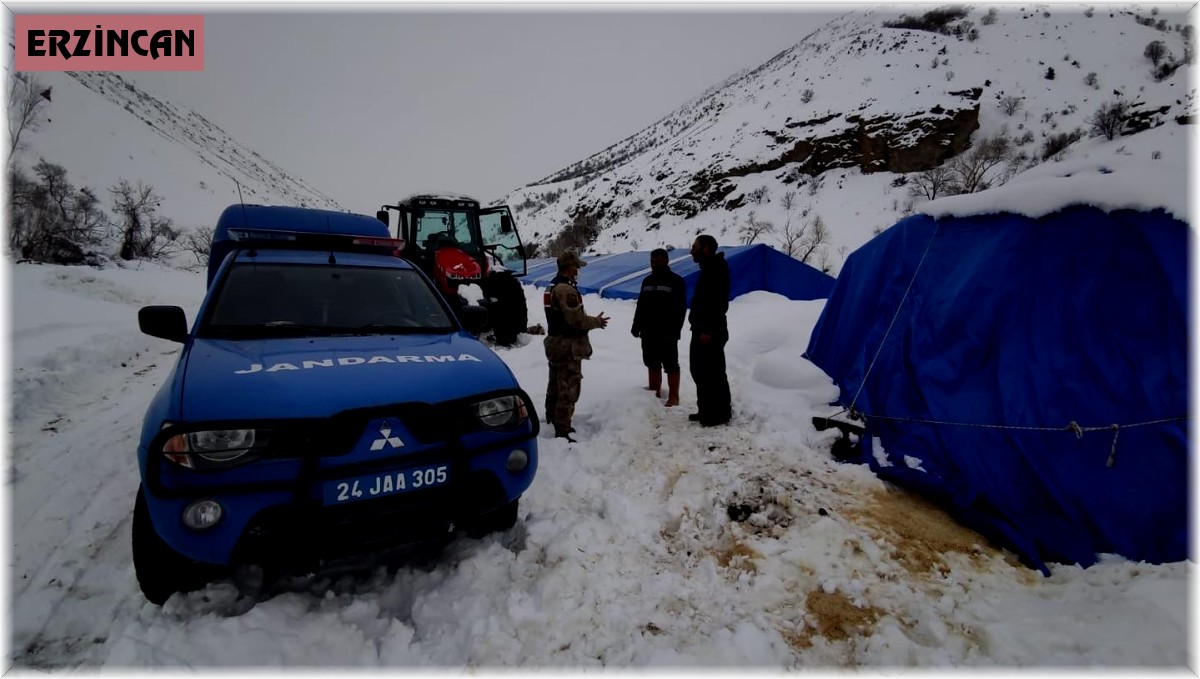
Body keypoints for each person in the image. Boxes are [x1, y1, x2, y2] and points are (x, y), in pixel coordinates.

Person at [544, 251, 609, 441]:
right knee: (569, 387)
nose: (578, 271)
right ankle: (563, 428)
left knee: (555, 384)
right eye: (577, 267)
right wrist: (596, 322)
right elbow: (576, 319)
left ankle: (552, 417)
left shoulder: (552, 286)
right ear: (570, 267)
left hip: (555, 344)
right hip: (567, 347)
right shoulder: (566, 290)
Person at [631, 248, 687, 407]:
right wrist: (636, 325)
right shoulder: (647, 281)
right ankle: (654, 392)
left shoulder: (676, 281)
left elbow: (680, 309)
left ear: (666, 261)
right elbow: (641, 305)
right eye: (651, 261)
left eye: (656, 261)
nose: (653, 264)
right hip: (648, 331)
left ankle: (674, 397)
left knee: (671, 364)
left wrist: (675, 331)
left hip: (667, 331)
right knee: (651, 362)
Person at [687, 234, 731, 427]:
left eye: (695, 246)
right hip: (701, 329)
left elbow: (717, 303)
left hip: (710, 331)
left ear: (705, 248)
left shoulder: (716, 268)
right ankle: (706, 409)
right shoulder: (708, 268)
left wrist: (707, 329)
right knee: (700, 370)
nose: (691, 250)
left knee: (712, 372)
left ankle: (718, 413)